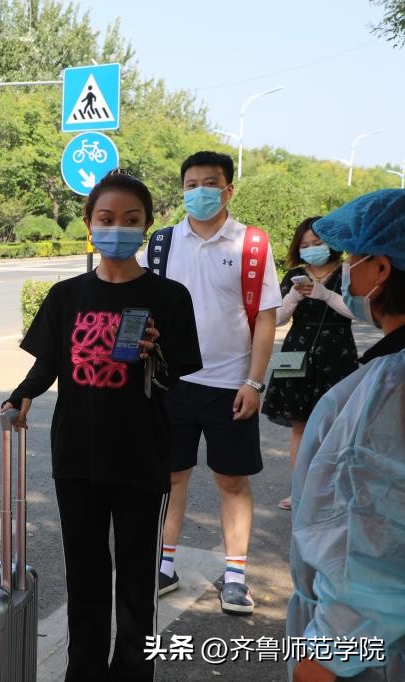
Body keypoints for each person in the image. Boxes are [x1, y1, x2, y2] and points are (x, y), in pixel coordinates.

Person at [3, 171, 202, 681]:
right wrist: (21, 397)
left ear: (147, 227)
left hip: (142, 456)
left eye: (131, 221)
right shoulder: (66, 296)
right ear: (90, 225)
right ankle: (85, 672)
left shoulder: (170, 297)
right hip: (77, 457)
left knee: (137, 585)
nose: (118, 229)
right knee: (86, 579)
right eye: (107, 219)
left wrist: (155, 351)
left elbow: (176, 377)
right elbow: (46, 366)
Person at [145, 151, 281, 616]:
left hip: (231, 387)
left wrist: (255, 383)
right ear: (181, 189)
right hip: (171, 384)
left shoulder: (252, 245)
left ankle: (236, 576)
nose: (198, 191)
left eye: (209, 183)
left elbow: (265, 321)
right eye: (190, 184)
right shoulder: (161, 244)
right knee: (170, 476)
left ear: (228, 190)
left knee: (231, 479)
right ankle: (164, 566)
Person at [287, 189, 405, 682]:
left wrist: (321, 662)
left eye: (353, 258)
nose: (346, 269)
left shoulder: (388, 389)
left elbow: (368, 546)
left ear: (380, 270)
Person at [261, 217, 359, 511]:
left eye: (317, 243)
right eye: (305, 245)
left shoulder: (347, 272)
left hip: (337, 353)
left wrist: (325, 295)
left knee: (334, 425)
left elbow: (358, 313)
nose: (311, 249)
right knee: (299, 426)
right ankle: (300, 489)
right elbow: (275, 319)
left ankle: (330, 490)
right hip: (296, 352)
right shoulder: (293, 274)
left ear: (331, 243)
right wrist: (291, 297)